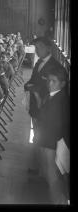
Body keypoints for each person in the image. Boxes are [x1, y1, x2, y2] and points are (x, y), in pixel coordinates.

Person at [33, 67, 69, 204]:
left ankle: (58, 202)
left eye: (54, 81)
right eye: (48, 80)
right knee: (50, 175)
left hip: (51, 144)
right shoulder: (53, 95)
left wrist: (44, 143)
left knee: (53, 177)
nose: (49, 84)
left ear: (63, 83)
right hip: (46, 140)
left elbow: (55, 126)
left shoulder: (60, 101)